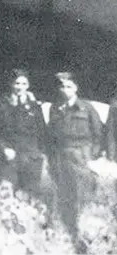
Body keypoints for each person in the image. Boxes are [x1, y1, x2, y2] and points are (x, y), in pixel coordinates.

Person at [48, 72, 103, 247]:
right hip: (61, 157)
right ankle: (68, 236)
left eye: (69, 86)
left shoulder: (87, 107)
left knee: (81, 197)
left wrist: (90, 157)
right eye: (62, 86)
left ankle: (84, 237)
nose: (65, 90)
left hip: (80, 157)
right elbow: (52, 136)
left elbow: (98, 134)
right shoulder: (55, 108)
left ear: (76, 88)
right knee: (65, 197)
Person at [0, 68, 46, 197]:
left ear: (28, 86)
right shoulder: (1, 105)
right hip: (9, 157)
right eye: (17, 83)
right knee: (6, 195)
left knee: (30, 196)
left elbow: (42, 131)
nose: (20, 87)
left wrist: (38, 153)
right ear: (11, 85)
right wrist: (3, 148)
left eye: (23, 84)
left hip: (30, 158)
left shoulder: (34, 107)